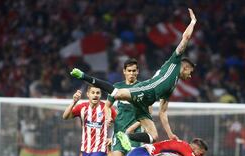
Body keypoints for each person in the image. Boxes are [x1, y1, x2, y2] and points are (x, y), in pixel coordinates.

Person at [70, 8, 197, 147]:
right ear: (185, 67)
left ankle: (125, 136)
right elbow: (185, 38)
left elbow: (163, 112)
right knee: (117, 93)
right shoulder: (175, 61)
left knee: (153, 136)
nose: (190, 75)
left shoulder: (172, 86)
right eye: (190, 72)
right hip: (146, 89)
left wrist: (170, 134)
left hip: (145, 104)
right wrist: (193, 22)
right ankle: (84, 76)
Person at [105, 58, 143, 156]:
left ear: (138, 72)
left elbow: (146, 114)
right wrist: (108, 117)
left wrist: (131, 129)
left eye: (134, 70)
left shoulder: (142, 88)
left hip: (134, 134)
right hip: (119, 133)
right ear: (124, 72)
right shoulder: (117, 87)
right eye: (129, 70)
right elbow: (107, 106)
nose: (132, 73)